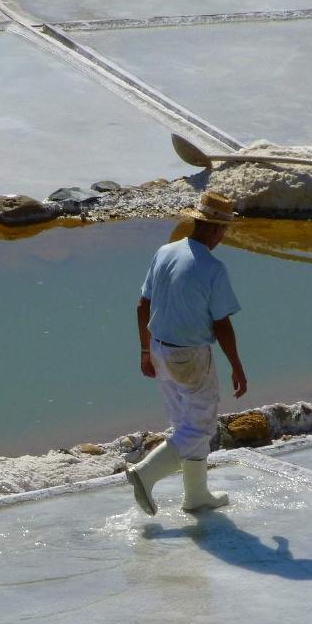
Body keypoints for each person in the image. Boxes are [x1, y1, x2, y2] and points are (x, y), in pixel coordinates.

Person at [127, 190, 247, 515]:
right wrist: (236, 365)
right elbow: (221, 325)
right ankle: (145, 473)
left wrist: (144, 352)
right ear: (214, 228)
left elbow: (142, 305)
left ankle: (197, 496)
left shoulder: (165, 252)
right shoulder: (212, 268)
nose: (224, 235)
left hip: (159, 350)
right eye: (223, 229)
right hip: (190, 356)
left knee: (184, 422)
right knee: (200, 427)